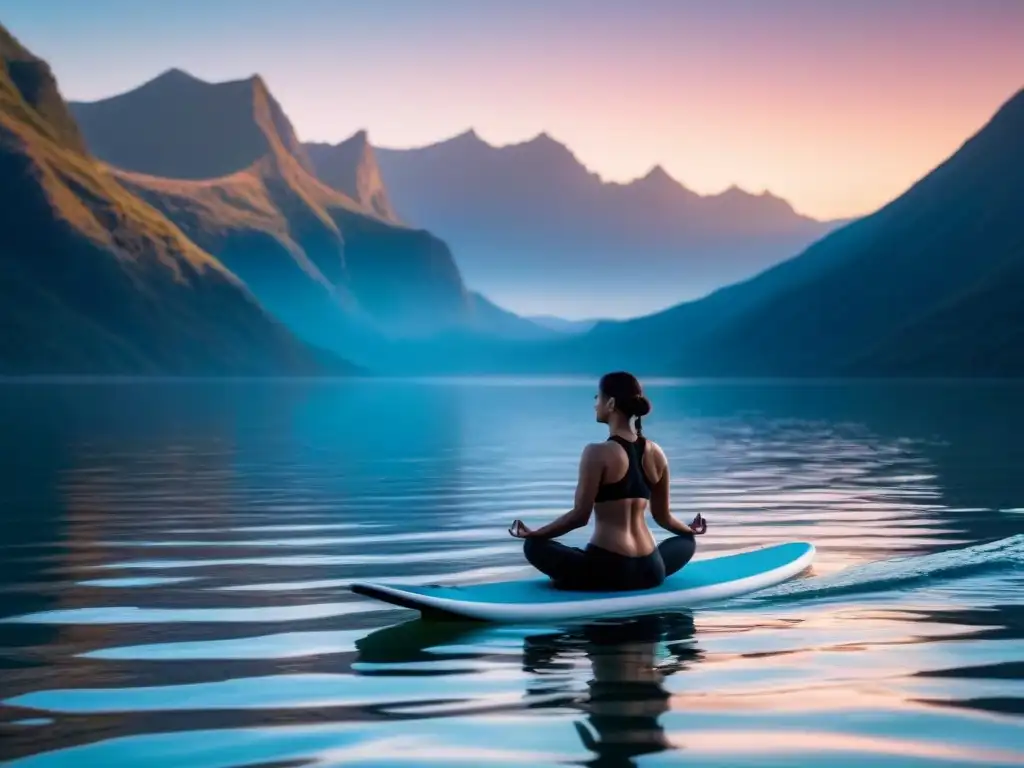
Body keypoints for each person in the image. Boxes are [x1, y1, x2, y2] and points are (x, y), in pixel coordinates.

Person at [509, 371, 707, 591]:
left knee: (534, 547)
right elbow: (663, 517)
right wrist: (689, 530)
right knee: (686, 541)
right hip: (651, 569)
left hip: (610, 570)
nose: (595, 403)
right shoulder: (657, 453)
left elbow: (579, 517)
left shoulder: (596, 453)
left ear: (611, 403)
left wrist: (536, 534)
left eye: (598, 397)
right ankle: (652, 563)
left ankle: (575, 580)